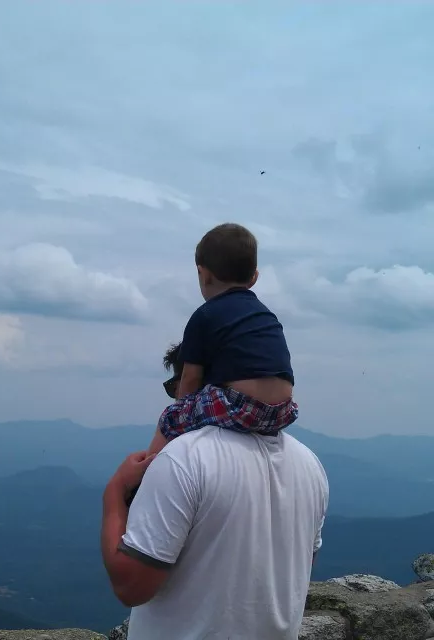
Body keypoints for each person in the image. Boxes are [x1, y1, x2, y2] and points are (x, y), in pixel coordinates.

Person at [101, 343, 329, 640]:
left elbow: (131, 586)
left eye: (175, 386)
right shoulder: (310, 463)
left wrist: (114, 495)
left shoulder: (182, 458)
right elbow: (299, 565)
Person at [147, 222, 298, 456]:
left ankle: (150, 466)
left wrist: (181, 415)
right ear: (254, 277)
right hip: (283, 411)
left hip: (240, 405)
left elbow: (189, 380)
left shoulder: (205, 315)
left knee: (170, 417)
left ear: (203, 274)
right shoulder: (265, 314)